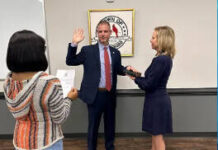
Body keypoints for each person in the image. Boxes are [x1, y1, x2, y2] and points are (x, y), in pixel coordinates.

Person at [3, 30, 78, 150]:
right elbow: (60, 117)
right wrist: (69, 98)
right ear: (36, 53)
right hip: (46, 142)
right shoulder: (49, 82)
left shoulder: (8, 82)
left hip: (20, 141)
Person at [66, 20, 127, 150]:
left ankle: (110, 147)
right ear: (97, 33)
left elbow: (118, 69)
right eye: (100, 31)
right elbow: (70, 61)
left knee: (110, 125)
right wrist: (74, 43)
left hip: (110, 94)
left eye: (105, 31)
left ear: (110, 33)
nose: (103, 34)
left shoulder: (115, 52)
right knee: (93, 126)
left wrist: (128, 70)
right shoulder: (87, 50)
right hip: (95, 95)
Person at [127, 26, 176, 150]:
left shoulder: (161, 60)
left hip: (157, 102)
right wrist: (137, 75)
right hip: (156, 100)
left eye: (153, 37)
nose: (150, 40)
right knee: (155, 137)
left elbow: (148, 85)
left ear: (162, 40)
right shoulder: (164, 59)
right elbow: (152, 80)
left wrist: (135, 78)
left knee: (158, 138)